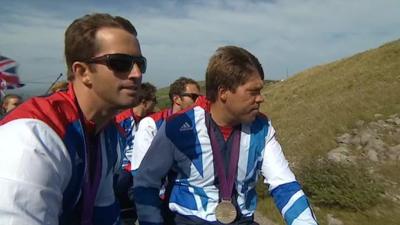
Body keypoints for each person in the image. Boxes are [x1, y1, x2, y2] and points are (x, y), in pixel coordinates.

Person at [133, 46, 318, 225]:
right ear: (223, 92)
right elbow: (146, 181)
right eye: (253, 92)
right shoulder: (178, 126)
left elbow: (284, 185)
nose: (261, 98)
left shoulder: (261, 128)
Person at [0, 13, 145, 225]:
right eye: (121, 63)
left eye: (140, 63)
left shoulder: (108, 131)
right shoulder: (30, 140)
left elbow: (103, 211)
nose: (137, 73)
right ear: (83, 71)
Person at [131, 76, 201, 225]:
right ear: (177, 99)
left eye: (200, 97)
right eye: (194, 97)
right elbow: (141, 172)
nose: (198, 102)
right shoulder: (151, 124)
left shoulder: (198, 126)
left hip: (184, 205)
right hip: (158, 201)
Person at [114, 82, 157, 224]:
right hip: (123, 172)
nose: (155, 104)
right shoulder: (121, 120)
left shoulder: (154, 120)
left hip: (146, 169)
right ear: (144, 102)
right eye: (154, 101)